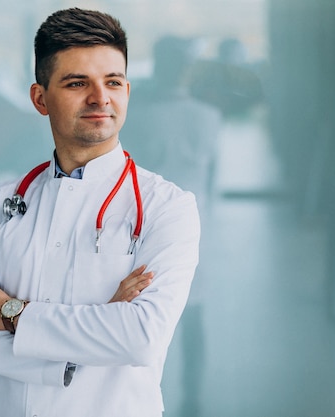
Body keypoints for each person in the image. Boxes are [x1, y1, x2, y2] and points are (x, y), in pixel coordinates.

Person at [0, 8, 200, 417]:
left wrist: (8, 312)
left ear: (127, 91)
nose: (100, 98)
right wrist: (95, 334)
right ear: (40, 99)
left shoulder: (168, 208)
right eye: (77, 83)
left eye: (113, 82)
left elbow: (141, 339)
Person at [120, 35, 221, 417]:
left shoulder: (138, 116)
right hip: (196, 227)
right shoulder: (210, 118)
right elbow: (214, 182)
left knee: (146, 316)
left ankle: (145, 394)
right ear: (186, 70)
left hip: (147, 230)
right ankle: (193, 396)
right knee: (194, 315)